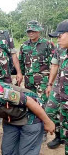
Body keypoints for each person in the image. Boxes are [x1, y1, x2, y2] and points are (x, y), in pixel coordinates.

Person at [19, 20, 55, 141]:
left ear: (39, 31)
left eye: (34, 30)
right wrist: (20, 77)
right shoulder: (23, 46)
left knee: (43, 104)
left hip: (43, 81)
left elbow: (54, 64)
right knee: (31, 103)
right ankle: (32, 126)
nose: (31, 33)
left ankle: (44, 130)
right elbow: (21, 64)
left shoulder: (48, 44)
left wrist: (50, 82)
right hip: (29, 81)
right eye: (29, 31)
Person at [46, 19, 68, 154]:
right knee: (49, 113)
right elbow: (55, 65)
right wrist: (50, 84)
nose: (58, 39)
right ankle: (59, 136)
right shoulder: (60, 49)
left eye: (60, 35)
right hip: (59, 91)